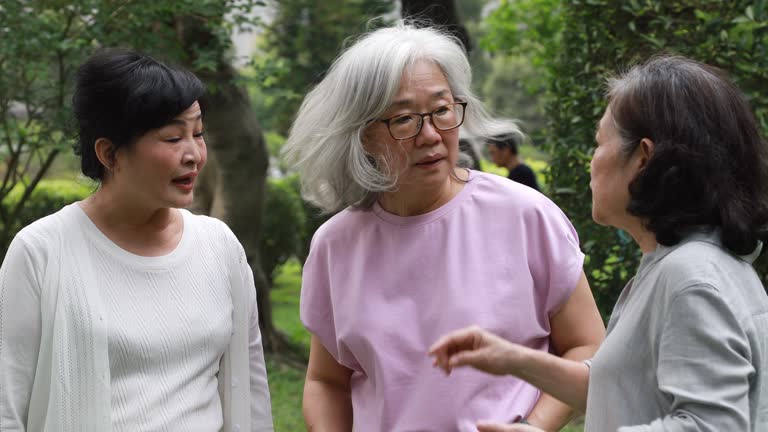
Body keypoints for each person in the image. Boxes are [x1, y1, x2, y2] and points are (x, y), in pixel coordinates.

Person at [282, 22, 605, 431]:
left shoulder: (525, 215)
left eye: (442, 110)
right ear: (363, 135)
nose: (431, 135)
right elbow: (327, 381)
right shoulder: (336, 244)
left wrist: (534, 426)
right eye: (403, 119)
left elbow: (586, 345)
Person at [430, 55, 768, 431]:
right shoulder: (685, 264)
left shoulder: (691, 279)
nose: (592, 161)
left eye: (598, 143)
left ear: (643, 159)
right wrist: (512, 359)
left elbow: (710, 426)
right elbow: (617, 389)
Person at [0, 50, 274, 431]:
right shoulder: (41, 252)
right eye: (173, 137)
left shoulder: (219, 247)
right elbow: (6, 407)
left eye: (198, 133)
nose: (194, 154)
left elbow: (251, 387)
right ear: (109, 153)